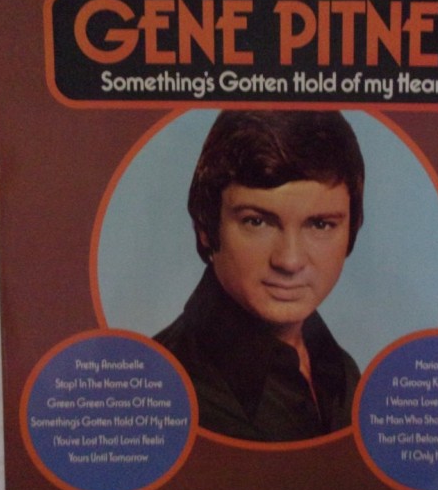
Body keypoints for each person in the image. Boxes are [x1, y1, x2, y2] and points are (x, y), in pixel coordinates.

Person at [155, 110, 365, 442]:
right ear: (206, 228)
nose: (290, 261)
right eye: (257, 222)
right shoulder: (160, 390)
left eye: (320, 224)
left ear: (351, 231)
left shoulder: (342, 371)